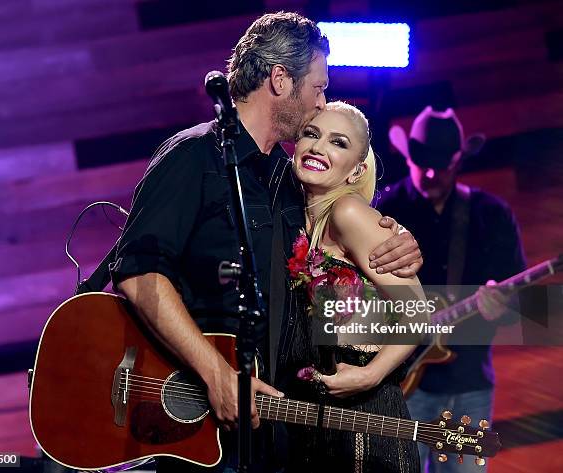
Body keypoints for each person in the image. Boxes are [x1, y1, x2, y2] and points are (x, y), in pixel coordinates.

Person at [111, 12, 423, 472]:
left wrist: (398, 239)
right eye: (318, 88)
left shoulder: (283, 178)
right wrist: (217, 375)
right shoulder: (194, 157)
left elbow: (354, 263)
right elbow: (139, 275)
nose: (322, 103)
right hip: (193, 422)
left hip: (272, 435)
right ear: (280, 80)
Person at [377, 106, 526, 472]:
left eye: (441, 165)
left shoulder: (491, 214)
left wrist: (500, 307)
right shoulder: (385, 210)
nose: (430, 173)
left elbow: (521, 299)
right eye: (422, 162)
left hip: (470, 380)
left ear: (458, 160)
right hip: (401, 383)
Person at [279, 101, 422, 472]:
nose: (318, 147)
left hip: (367, 427)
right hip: (311, 424)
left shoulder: (348, 213)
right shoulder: (290, 217)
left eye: (338, 142)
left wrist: (370, 373)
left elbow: (420, 312)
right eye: (312, 134)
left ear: (357, 168)